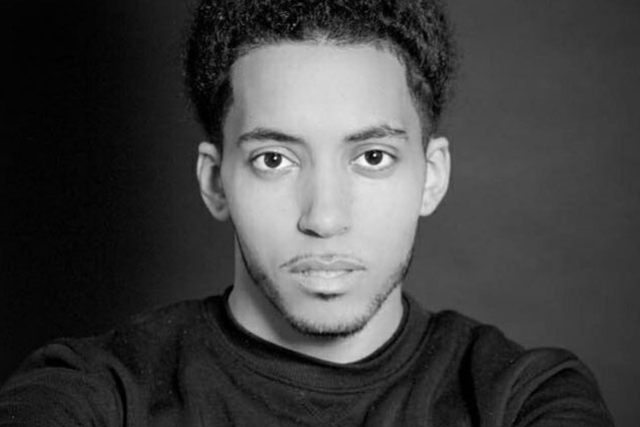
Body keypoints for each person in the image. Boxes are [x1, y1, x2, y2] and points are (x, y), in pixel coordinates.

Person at [0, 0, 614, 425]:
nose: (324, 217)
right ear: (215, 182)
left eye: (371, 157)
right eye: (274, 159)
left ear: (431, 177)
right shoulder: (94, 391)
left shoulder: (524, 398)